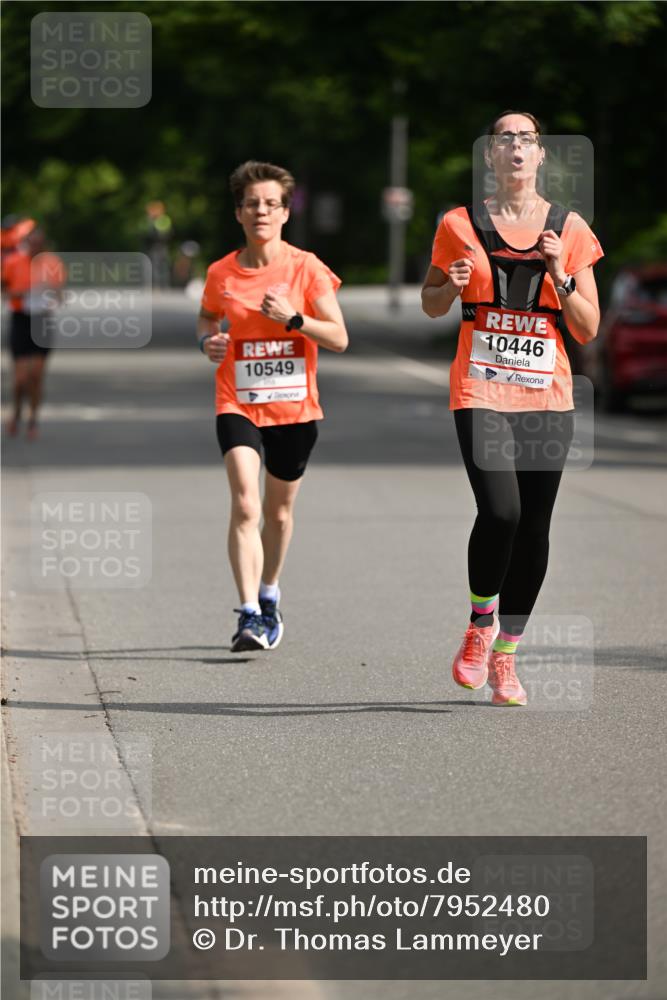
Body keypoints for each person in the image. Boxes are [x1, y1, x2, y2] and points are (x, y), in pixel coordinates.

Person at [422, 111, 603, 706]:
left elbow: (588, 327)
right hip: (479, 389)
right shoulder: (459, 223)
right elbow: (430, 304)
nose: (517, 148)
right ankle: (479, 628)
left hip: (547, 394)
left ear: (541, 155)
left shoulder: (569, 229)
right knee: (500, 512)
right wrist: (448, 285)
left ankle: (506, 656)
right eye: (506, 138)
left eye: (527, 139)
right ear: (490, 156)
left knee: (535, 527)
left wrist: (560, 273)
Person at [197, 161, 348, 652]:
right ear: (238, 214)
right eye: (251, 204)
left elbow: (339, 337)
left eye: (270, 204)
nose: (260, 211)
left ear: (285, 213)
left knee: (278, 515)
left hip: (295, 410)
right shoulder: (221, 272)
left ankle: (268, 594)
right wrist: (209, 344)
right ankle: (246, 615)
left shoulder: (306, 267)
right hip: (237, 401)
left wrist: (294, 317)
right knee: (244, 501)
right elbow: (206, 320)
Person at [2, 222, 66, 440]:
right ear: (26, 243)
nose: (36, 247)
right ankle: (17, 411)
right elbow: (5, 292)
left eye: (39, 244)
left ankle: (33, 420)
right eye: (32, 243)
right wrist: (20, 293)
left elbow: (60, 295)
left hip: (42, 320)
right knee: (21, 378)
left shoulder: (52, 263)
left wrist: (50, 294)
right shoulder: (13, 262)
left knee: (36, 375)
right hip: (21, 319)